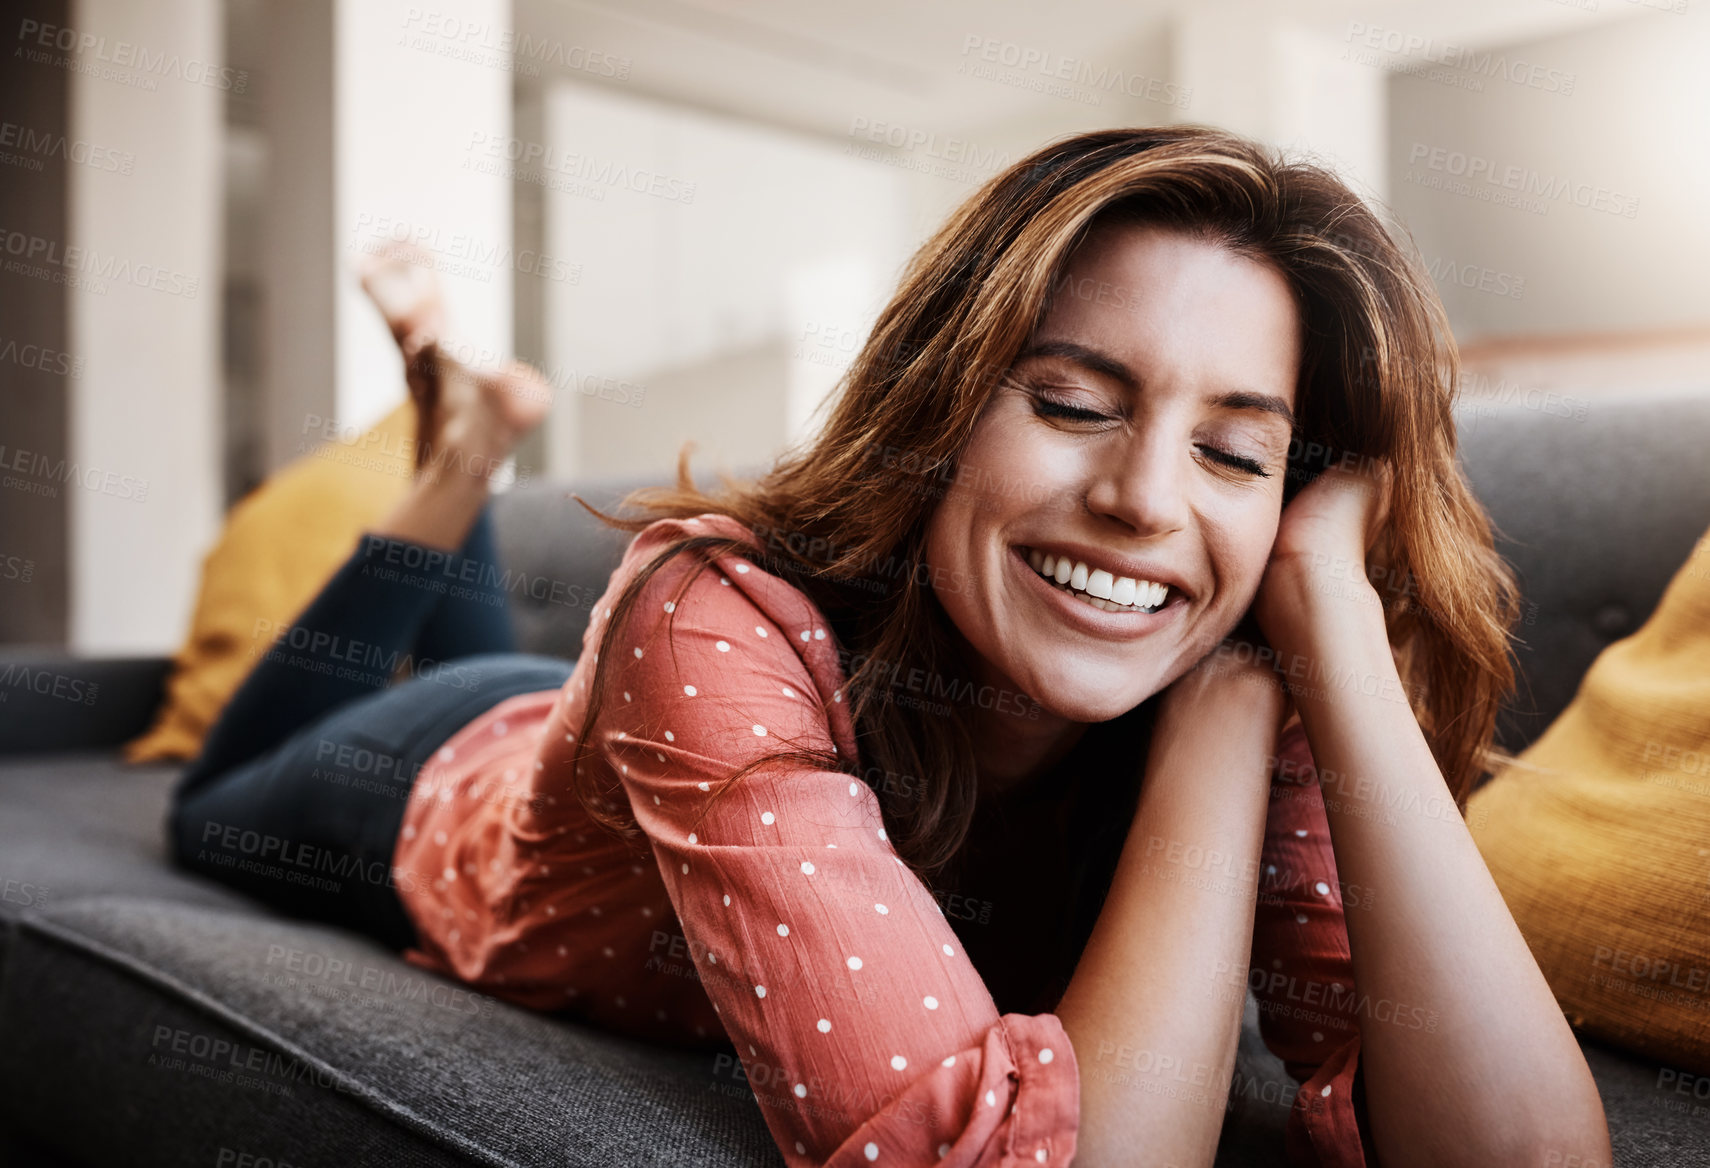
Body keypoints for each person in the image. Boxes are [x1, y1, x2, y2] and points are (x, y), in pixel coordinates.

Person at [168, 125, 1612, 1168]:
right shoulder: (708, 601)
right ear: (940, 407)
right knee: (206, 796)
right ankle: (451, 458)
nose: (1142, 502)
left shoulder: (1247, 628)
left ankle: (466, 447)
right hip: (438, 787)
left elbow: (1525, 1159)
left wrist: (1314, 641)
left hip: (613, 737)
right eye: (1070, 403)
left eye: (1236, 453)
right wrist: (1233, 702)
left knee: (512, 676)